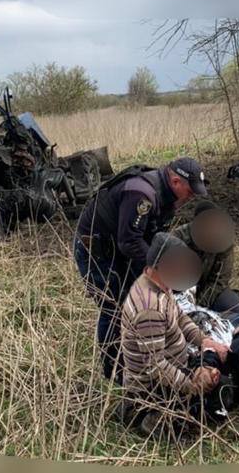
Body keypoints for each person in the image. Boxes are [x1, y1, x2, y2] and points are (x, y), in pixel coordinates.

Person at [73, 156, 208, 380]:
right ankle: (113, 371)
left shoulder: (164, 194)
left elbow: (150, 237)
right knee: (113, 309)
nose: (192, 197)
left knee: (133, 302)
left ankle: (138, 357)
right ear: (176, 181)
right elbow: (130, 241)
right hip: (97, 252)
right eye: (190, 191)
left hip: (119, 250)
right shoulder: (141, 193)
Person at [119, 233, 230, 437]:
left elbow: (180, 318)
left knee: (220, 371)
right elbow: (155, 367)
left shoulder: (161, 284)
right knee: (220, 394)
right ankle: (150, 416)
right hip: (153, 387)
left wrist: (205, 341)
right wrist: (192, 385)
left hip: (177, 366)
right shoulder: (148, 309)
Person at [174, 201, 239, 313]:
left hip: (206, 288)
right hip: (179, 288)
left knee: (233, 305)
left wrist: (198, 305)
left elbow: (219, 280)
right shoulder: (178, 237)